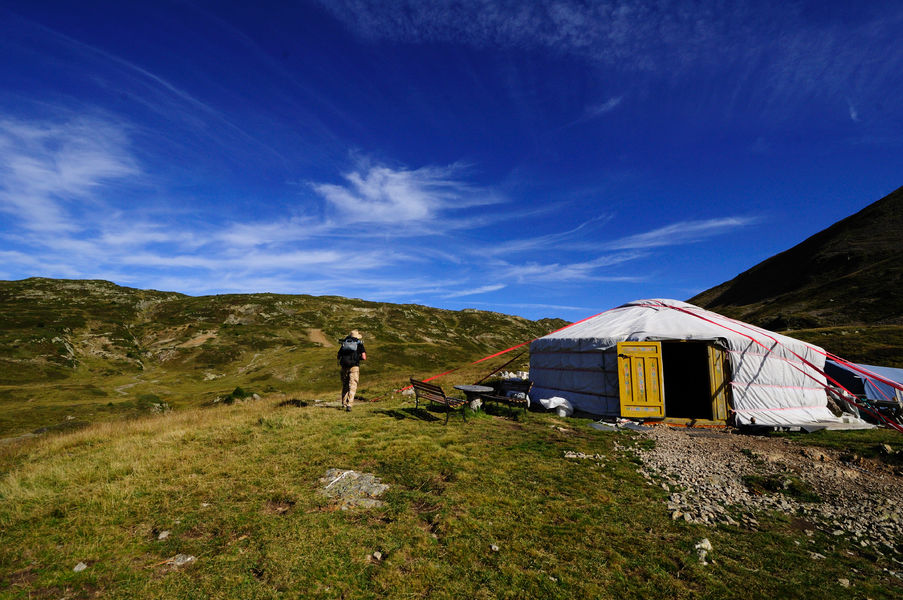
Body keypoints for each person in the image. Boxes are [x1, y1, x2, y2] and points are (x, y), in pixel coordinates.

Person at [336, 329, 366, 412]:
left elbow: (338, 356)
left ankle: (343, 404)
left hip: (344, 366)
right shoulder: (359, 344)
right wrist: (357, 358)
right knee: (353, 385)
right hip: (354, 367)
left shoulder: (344, 343)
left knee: (345, 385)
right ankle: (349, 405)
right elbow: (364, 357)